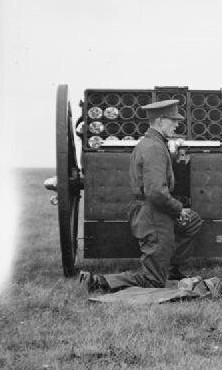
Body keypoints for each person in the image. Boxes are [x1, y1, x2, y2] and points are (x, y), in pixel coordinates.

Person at [80, 100, 203, 292]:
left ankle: (170, 268)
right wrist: (178, 208)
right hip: (153, 215)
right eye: (173, 120)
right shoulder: (154, 148)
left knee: (192, 221)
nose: (177, 124)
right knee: (153, 281)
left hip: (152, 211)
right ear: (161, 121)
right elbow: (155, 192)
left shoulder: (152, 144)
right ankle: (99, 281)